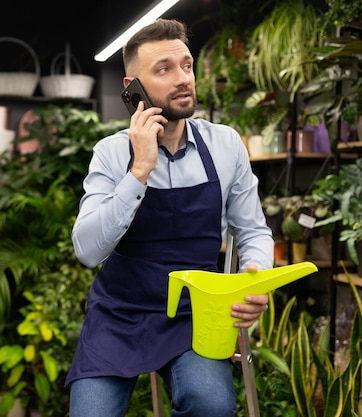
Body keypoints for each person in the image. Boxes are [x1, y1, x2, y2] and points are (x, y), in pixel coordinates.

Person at [65, 18, 274, 417]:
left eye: (187, 65)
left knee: (211, 405)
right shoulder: (111, 154)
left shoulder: (225, 144)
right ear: (132, 90)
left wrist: (252, 279)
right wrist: (139, 170)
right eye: (164, 69)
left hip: (195, 316)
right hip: (119, 312)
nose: (183, 78)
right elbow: (87, 251)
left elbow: (253, 231)